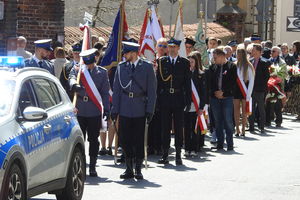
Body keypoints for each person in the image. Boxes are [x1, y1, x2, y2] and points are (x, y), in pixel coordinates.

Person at [111, 41, 157, 180]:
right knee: (125, 139)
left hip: (140, 108)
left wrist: (150, 110)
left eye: (126, 53)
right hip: (125, 108)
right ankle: (128, 168)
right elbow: (117, 90)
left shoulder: (147, 67)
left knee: (138, 139)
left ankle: (138, 167)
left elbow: (152, 91)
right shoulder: (121, 67)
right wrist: (115, 109)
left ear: (134, 53)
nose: (124, 56)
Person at [69, 48, 110, 177]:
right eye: (86, 63)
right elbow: (71, 77)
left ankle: (92, 166)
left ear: (94, 60)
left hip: (94, 110)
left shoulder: (102, 73)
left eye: (90, 63)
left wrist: (107, 109)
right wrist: (73, 84)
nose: (88, 65)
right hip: (80, 109)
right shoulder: (78, 69)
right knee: (79, 140)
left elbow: (105, 92)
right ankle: (80, 165)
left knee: (93, 139)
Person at [156, 38, 191, 165]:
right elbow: (158, 83)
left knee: (178, 127)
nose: (171, 49)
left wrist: (188, 101)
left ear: (178, 48)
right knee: (165, 128)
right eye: (169, 47)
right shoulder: (162, 61)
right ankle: (165, 154)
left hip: (178, 97)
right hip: (165, 97)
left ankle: (178, 155)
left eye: (174, 47)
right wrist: (157, 100)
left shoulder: (184, 63)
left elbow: (187, 83)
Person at [207, 47, 237, 151]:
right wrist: (215, 92)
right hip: (215, 98)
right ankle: (220, 143)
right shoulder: (212, 68)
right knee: (217, 121)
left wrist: (224, 92)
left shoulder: (232, 67)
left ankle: (230, 144)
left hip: (227, 98)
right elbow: (210, 83)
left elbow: (233, 83)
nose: (214, 60)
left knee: (228, 120)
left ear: (221, 56)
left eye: (215, 58)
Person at [184, 51, 207, 157]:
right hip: (186, 105)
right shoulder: (184, 74)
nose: (190, 64)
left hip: (196, 105)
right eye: (189, 62)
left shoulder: (201, 75)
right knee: (187, 128)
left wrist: (201, 106)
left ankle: (194, 148)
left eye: (192, 62)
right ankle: (187, 148)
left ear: (196, 63)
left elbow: (203, 93)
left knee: (195, 128)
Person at [248, 44, 271, 133]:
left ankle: (261, 126)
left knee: (261, 108)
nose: (252, 52)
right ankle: (251, 127)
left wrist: (260, 86)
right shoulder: (250, 61)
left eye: (253, 50)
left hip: (260, 89)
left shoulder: (264, 62)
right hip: (251, 89)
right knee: (251, 108)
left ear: (258, 51)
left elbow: (267, 76)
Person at [233, 48, 255, 137]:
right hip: (236, 89)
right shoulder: (234, 65)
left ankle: (243, 128)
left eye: (240, 54)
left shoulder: (249, 66)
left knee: (244, 111)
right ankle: (237, 128)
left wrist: (249, 94)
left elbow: (252, 80)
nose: (238, 55)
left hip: (245, 88)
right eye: (237, 53)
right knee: (236, 110)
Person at [265, 46, 288, 127]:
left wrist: (276, 78)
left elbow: (284, 74)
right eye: (271, 51)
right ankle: (268, 120)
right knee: (268, 102)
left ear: (278, 53)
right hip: (268, 84)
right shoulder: (268, 61)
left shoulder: (282, 62)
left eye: (273, 51)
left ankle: (278, 121)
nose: (271, 52)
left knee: (277, 104)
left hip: (277, 85)